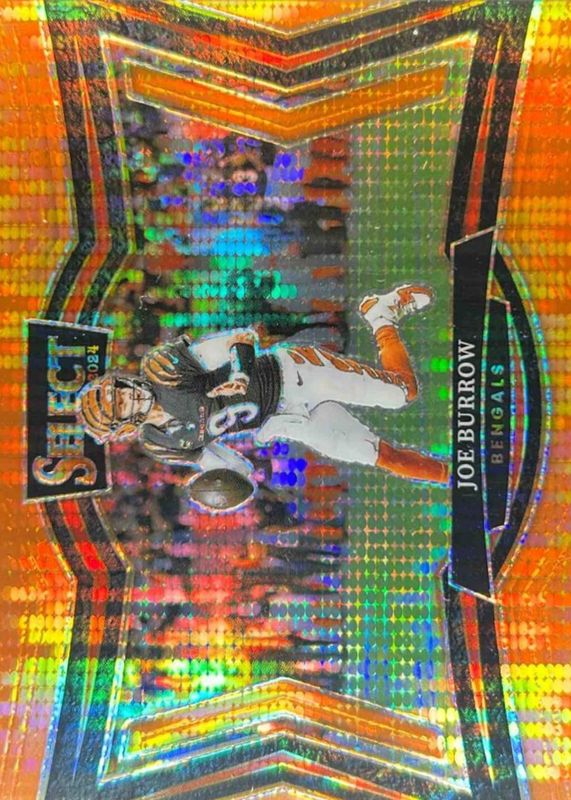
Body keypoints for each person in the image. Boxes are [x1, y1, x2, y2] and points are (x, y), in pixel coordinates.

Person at [79, 285, 449, 485]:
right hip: (284, 421)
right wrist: (221, 487)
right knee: (382, 456)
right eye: (120, 403)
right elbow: (233, 468)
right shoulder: (160, 442)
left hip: (292, 375)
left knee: (402, 393)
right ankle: (458, 480)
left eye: (120, 389)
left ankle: (381, 315)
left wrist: (239, 376)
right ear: (124, 427)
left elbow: (239, 339)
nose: (129, 394)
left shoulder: (162, 370)